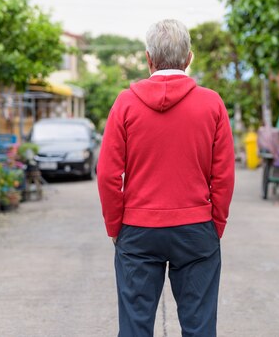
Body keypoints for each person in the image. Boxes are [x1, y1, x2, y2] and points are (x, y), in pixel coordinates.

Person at [97, 19, 236, 337]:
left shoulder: (126, 103)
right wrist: (215, 225)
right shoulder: (211, 103)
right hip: (196, 229)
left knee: (135, 327)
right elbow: (224, 175)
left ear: (148, 59)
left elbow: (107, 174)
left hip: (138, 230)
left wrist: (115, 226)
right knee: (199, 327)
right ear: (189, 58)